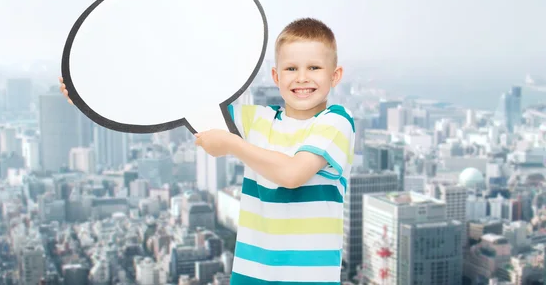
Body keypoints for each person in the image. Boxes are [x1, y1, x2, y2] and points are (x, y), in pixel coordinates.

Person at [60, 17, 355, 284]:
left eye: (314, 67)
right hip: (251, 276)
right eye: (291, 68)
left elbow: (292, 174)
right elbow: (176, 101)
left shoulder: (336, 122)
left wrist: (232, 145)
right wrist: (92, 94)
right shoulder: (257, 119)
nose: (302, 77)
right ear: (276, 77)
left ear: (335, 74)